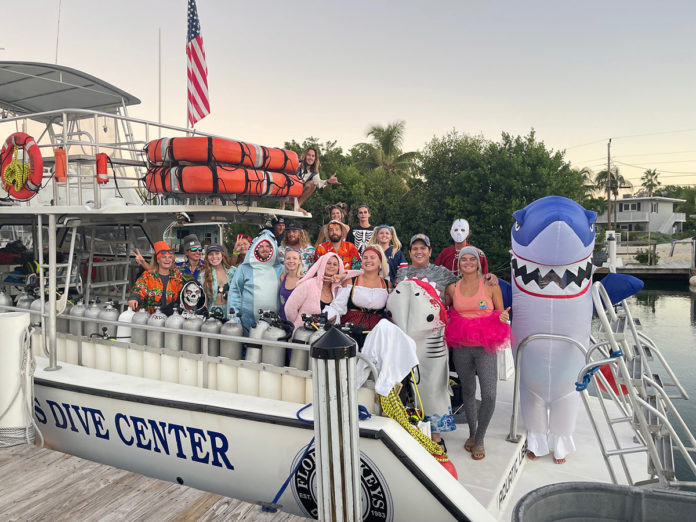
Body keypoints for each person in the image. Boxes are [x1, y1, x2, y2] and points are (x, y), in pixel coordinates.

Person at [444, 247, 511, 461]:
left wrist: (501, 318)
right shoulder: (452, 288)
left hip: (485, 346)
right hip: (461, 346)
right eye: (464, 259)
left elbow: (500, 312)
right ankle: (473, 435)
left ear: (479, 262)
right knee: (468, 392)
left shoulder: (491, 284)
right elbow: (444, 308)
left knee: (490, 393)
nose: (468, 262)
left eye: (472, 259)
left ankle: (480, 438)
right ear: (458, 264)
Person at [324, 245, 391, 347]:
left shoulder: (388, 285)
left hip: (376, 333)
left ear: (380, 262)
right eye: (365, 258)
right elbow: (337, 307)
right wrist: (329, 316)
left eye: (372, 257)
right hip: (351, 331)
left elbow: (392, 312)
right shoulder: (351, 281)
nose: (368, 260)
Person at [228, 230, 283, 335]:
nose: (264, 249)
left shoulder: (281, 269)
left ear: (273, 248)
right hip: (247, 325)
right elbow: (235, 293)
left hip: (275, 326)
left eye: (268, 246)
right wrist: (234, 318)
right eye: (261, 246)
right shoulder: (244, 269)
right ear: (255, 248)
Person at [284, 253, 351, 333]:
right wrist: (298, 324)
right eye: (328, 263)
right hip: (302, 335)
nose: (331, 266)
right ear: (322, 264)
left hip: (326, 338)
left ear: (339, 268)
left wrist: (342, 276)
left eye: (335, 264)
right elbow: (289, 308)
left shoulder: (337, 289)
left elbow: (360, 272)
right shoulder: (309, 284)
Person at [395, 234, 459, 306]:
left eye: (423, 248)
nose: (419, 252)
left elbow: (462, 293)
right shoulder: (401, 272)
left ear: (430, 252)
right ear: (410, 253)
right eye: (415, 249)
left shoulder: (442, 272)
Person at [128, 241, 184, 314]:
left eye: (170, 257)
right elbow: (139, 289)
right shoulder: (148, 276)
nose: (167, 260)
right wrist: (134, 298)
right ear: (158, 260)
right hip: (150, 318)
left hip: (171, 318)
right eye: (164, 257)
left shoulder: (177, 277)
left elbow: (182, 295)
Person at [294, 147, 341, 214]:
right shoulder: (297, 164)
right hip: (288, 191)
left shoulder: (314, 171)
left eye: (313, 156)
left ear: (315, 158)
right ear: (304, 156)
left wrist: (328, 181)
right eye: (308, 155)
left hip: (298, 193)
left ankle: (297, 207)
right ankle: (283, 206)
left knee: (312, 184)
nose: (310, 158)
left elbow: (318, 183)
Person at [198, 244, 237, 319]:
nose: (214, 257)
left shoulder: (232, 272)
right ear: (207, 257)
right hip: (212, 314)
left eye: (217, 253)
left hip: (231, 313)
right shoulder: (203, 275)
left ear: (222, 255)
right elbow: (203, 300)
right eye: (210, 254)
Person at [278, 248, 303, 321]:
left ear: (299, 261)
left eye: (295, 258)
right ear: (285, 261)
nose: (291, 261)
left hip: (297, 324)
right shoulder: (282, 278)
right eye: (288, 258)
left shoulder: (303, 280)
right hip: (282, 321)